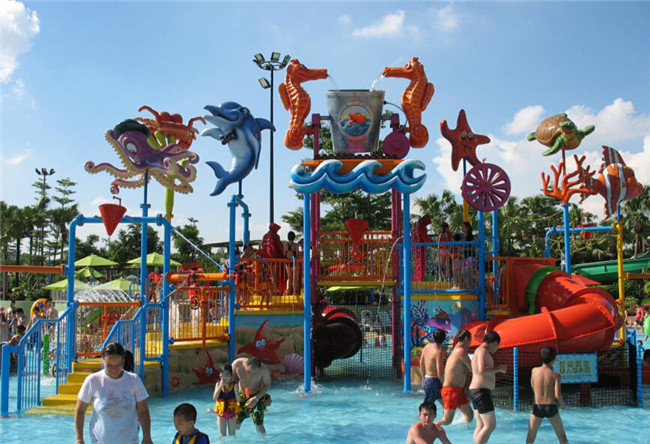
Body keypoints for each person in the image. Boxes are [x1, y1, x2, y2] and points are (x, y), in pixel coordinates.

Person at [75, 342, 153, 444]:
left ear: (123, 361)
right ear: (103, 360)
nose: (114, 369)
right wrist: (79, 439)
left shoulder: (134, 380)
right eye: (109, 365)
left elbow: (143, 412)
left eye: (118, 365)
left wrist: (147, 437)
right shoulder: (92, 381)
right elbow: (80, 411)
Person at [468, 331, 506, 444]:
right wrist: (499, 368)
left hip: (477, 391)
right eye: (498, 346)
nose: (497, 349)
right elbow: (482, 370)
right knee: (490, 425)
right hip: (480, 392)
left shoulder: (480, 351)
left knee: (480, 425)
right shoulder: (482, 351)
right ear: (495, 343)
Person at [525, 347, 568, 444]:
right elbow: (557, 395)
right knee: (563, 439)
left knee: (530, 440)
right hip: (551, 407)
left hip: (537, 407)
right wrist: (562, 405)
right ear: (554, 359)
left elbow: (533, 387)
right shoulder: (556, 375)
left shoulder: (534, 371)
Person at [437, 330, 473, 425]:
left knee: (469, 415)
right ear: (466, 339)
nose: (470, 344)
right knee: (447, 420)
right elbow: (472, 368)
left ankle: (465, 432)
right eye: (470, 341)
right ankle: (428, 429)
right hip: (451, 390)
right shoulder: (460, 351)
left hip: (458, 390)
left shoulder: (455, 350)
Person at [233, 356, 272, 433]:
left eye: (254, 373)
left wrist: (257, 398)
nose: (251, 375)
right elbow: (231, 380)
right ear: (245, 365)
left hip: (257, 395)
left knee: (258, 421)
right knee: (235, 422)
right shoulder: (237, 364)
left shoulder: (263, 370)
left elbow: (267, 384)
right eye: (248, 372)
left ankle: (263, 439)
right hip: (241, 395)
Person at [420, 329, 447, 406]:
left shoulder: (427, 347)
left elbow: (421, 363)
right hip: (434, 382)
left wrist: (423, 378)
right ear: (443, 339)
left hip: (427, 380)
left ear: (433, 337)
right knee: (427, 408)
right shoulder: (439, 352)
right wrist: (445, 384)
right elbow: (439, 373)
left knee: (446, 405)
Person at [213, 363, 241, 437]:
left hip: (231, 412)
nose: (225, 377)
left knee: (232, 434)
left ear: (232, 376)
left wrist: (236, 391)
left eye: (227, 375)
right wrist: (220, 387)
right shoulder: (218, 384)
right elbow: (215, 398)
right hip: (221, 413)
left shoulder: (235, 385)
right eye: (223, 375)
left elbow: (239, 400)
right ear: (220, 375)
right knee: (222, 434)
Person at [284, 231, 300, 295]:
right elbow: (298, 254)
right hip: (294, 262)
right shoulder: (295, 245)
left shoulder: (285, 245)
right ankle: (294, 292)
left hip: (287, 262)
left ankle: (288, 291)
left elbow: (284, 253)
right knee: (294, 277)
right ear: (294, 237)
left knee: (289, 278)